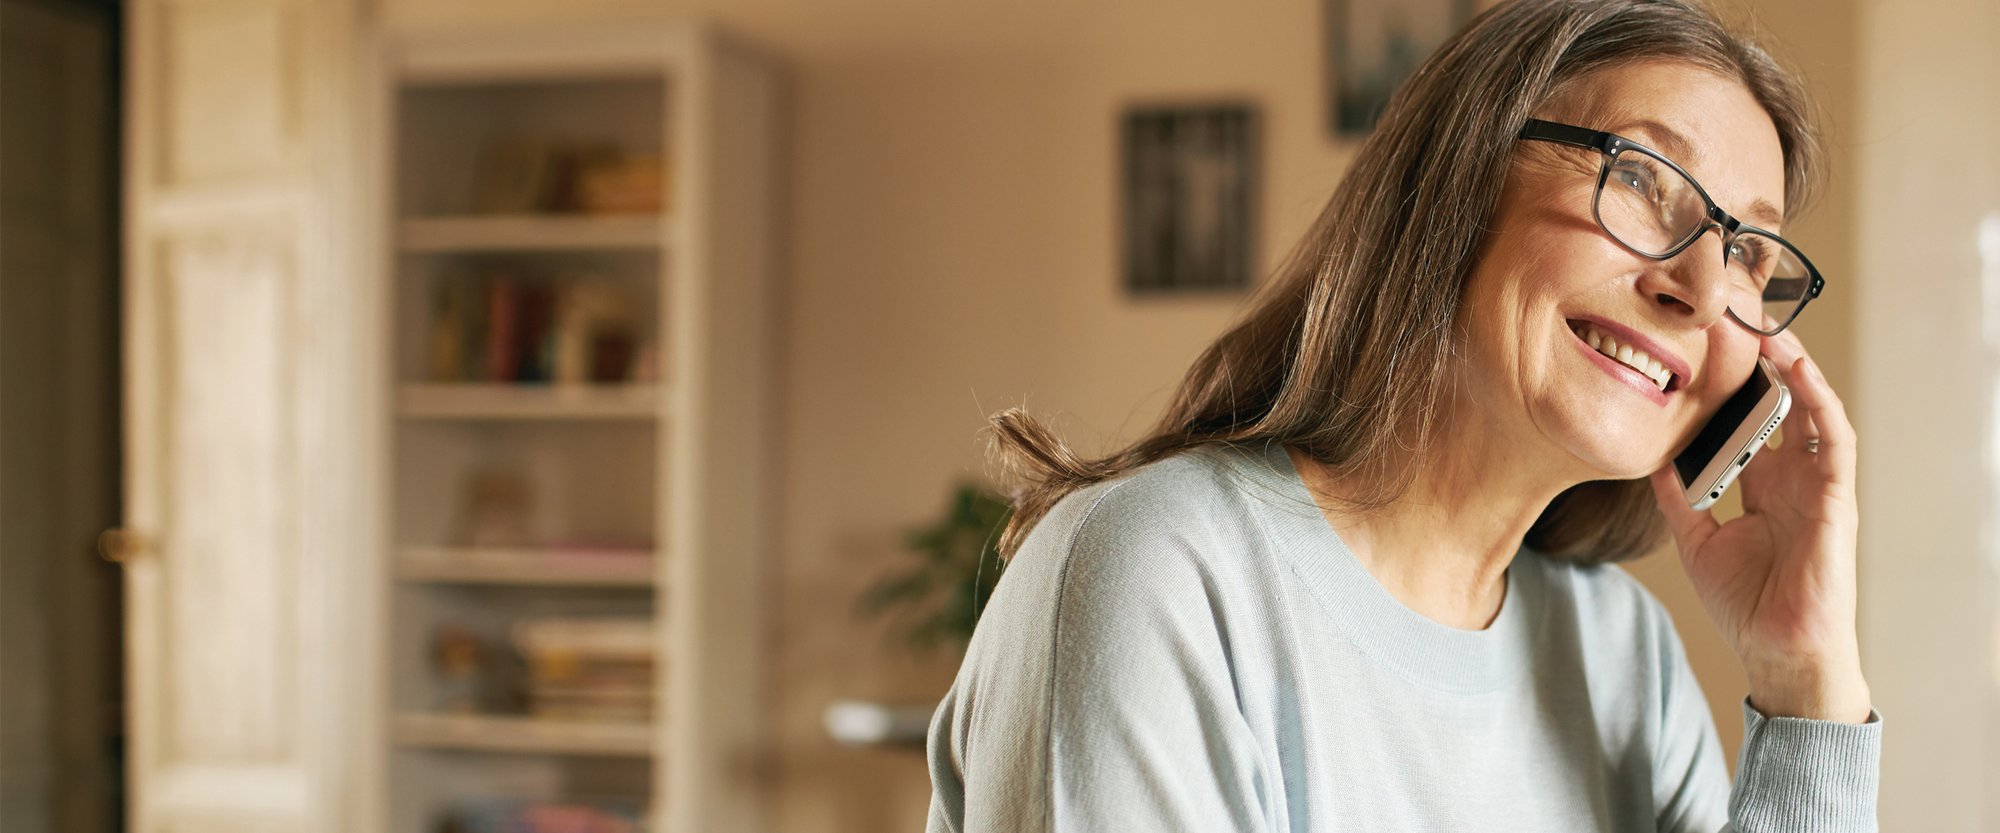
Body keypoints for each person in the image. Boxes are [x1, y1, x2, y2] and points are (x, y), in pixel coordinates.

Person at [924, 0, 1884, 830]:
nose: (1702, 284)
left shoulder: (1621, 651)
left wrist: (1806, 679)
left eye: (1750, 253)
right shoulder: (1160, 572)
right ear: (1456, 179)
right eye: (1639, 177)